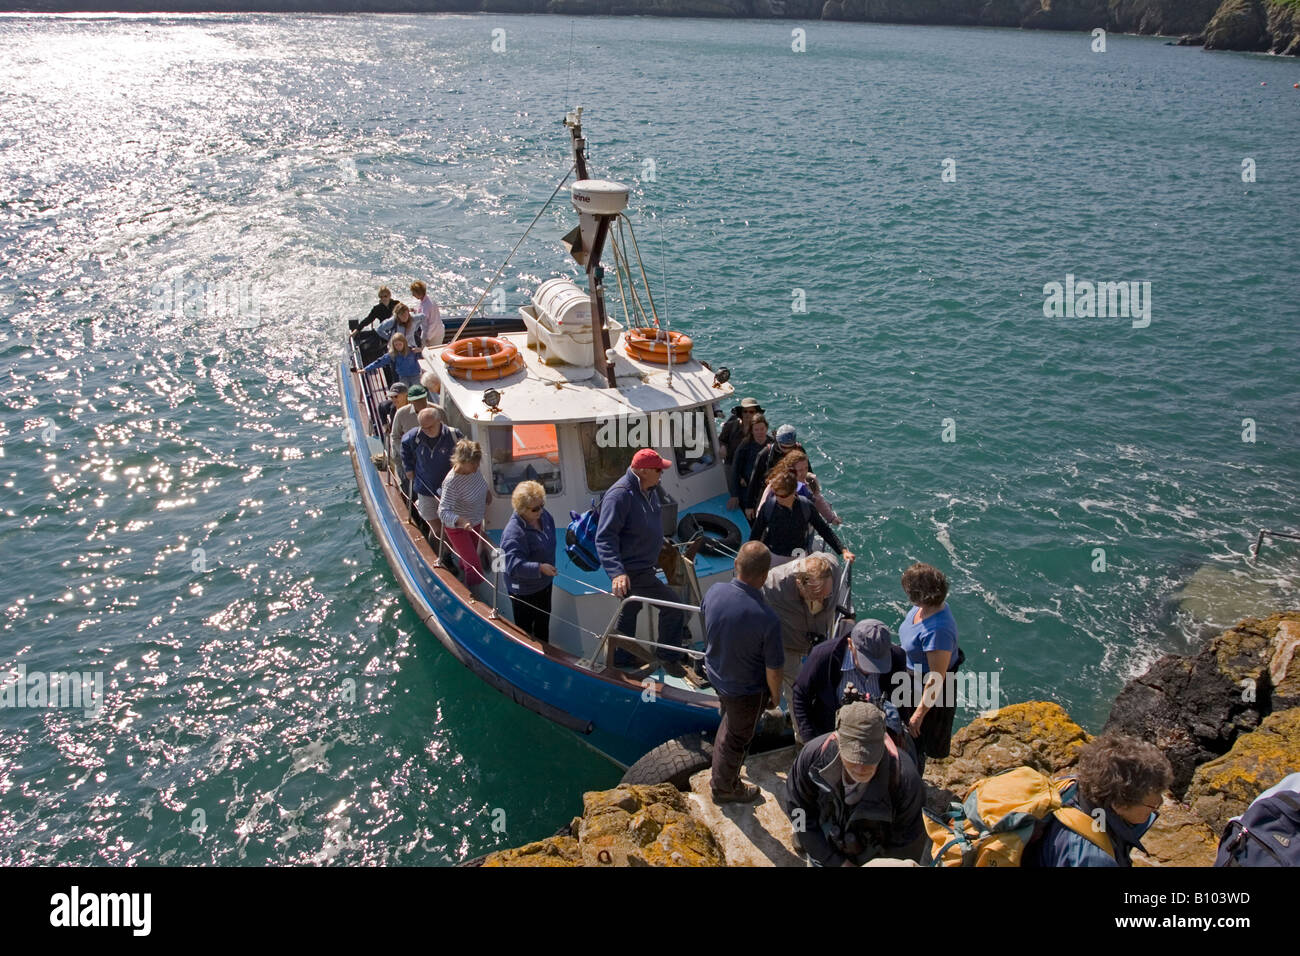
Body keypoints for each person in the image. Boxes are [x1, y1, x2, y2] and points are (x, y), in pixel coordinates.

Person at [785, 702, 925, 867]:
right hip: (824, 846)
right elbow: (797, 809)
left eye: (869, 758)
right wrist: (826, 855)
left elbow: (907, 847)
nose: (861, 768)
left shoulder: (906, 781)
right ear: (837, 741)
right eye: (852, 758)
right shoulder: (811, 757)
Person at [701, 541, 784, 804]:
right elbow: (773, 669)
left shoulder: (714, 591)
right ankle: (725, 788)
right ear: (764, 576)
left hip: (717, 674)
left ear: (736, 565)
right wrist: (775, 696)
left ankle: (724, 773)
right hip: (746, 690)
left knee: (730, 723)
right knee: (737, 738)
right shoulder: (767, 618)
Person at [595, 448, 688, 674]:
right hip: (633, 571)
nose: (661, 474)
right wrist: (617, 573)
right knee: (673, 607)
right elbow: (605, 537)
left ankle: (621, 658)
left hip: (645, 565)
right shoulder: (619, 495)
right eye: (658, 470)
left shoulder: (650, 489)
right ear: (644, 471)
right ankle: (667, 658)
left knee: (631, 609)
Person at [1026, 734, 1173, 867]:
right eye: (1151, 805)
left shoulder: (1077, 786)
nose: (1158, 804)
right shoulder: (1091, 858)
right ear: (1119, 804)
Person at [792, 619, 908, 746]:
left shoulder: (898, 657)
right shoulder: (822, 656)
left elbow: (902, 698)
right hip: (831, 732)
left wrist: (903, 727)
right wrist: (810, 741)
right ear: (850, 644)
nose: (871, 670)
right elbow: (800, 695)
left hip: (877, 733)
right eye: (867, 662)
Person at [763, 552, 843, 723]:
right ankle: (801, 737)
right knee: (797, 691)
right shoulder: (772, 585)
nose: (822, 600)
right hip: (787, 644)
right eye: (815, 596)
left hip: (820, 639)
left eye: (825, 595)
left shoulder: (833, 567)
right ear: (799, 584)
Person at [895, 562, 962, 770]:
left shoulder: (938, 631)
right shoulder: (924, 608)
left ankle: (913, 781)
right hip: (909, 680)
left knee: (915, 742)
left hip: (924, 693)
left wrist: (918, 715)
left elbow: (936, 679)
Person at [749, 471, 852, 565]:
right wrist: (748, 555)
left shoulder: (806, 506)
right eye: (776, 494)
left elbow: (823, 529)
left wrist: (843, 550)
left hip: (799, 554)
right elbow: (756, 532)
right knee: (776, 584)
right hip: (774, 556)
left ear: (794, 491)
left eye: (783, 496)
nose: (778, 499)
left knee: (801, 583)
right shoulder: (768, 506)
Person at [500, 480, 558, 643]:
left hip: (544, 584)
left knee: (543, 623)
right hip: (524, 592)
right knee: (525, 631)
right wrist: (539, 568)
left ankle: (545, 652)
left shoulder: (544, 516)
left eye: (542, 505)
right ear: (521, 509)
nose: (540, 510)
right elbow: (512, 565)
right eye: (535, 509)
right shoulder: (514, 533)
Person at [401, 405, 464, 545]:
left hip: (451, 491)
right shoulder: (413, 437)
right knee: (436, 529)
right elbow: (404, 450)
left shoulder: (454, 435)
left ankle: (454, 550)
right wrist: (408, 468)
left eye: (430, 427)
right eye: (423, 427)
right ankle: (443, 555)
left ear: (439, 421)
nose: (426, 431)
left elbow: (466, 458)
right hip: (426, 489)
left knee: (453, 525)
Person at [438, 439, 492, 587]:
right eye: (473, 464)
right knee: (475, 567)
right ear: (462, 461)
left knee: (468, 559)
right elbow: (442, 512)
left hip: (474, 522)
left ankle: (463, 578)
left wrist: (486, 492)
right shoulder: (451, 482)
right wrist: (460, 521)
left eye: (477, 463)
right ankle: (473, 596)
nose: (476, 467)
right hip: (458, 528)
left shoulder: (474, 471)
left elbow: (479, 482)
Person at [755, 448, 841, 526]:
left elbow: (818, 500)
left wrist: (831, 518)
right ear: (791, 470)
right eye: (800, 470)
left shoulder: (809, 482)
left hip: (803, 528)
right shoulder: (777, 485)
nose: (804, 473)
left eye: (806, 468)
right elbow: (761, 510)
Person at [743, 423, 801, 514]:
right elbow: (754, 480)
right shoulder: (765, 454)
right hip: (769, 492)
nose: (787, 451)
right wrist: (749, 506)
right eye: (784, 447)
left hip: (793, 492)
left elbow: (807, 472)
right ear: (777, 442)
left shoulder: (799, 452)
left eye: (791, 447)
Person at [730, 414, 772, 514]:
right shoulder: (745, 445)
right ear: (752, 431)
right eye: (756, 430)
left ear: (766, 428)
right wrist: (734, 495)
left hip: (767, 487)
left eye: (762, 429)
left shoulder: (772, 444)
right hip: (748, 488)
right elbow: (735, 469)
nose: (759, 432)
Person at [352, 286, 395, 365]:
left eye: (385, 296)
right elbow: (368, 320)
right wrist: (357, 330)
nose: (383, 298)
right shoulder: (377, 309)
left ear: (389, 295)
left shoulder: (396, 304)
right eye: (381, 297)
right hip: (383, 333)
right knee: (365, 348)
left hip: (396, 331)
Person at [718, 397, 762, 468]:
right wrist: (723, 446)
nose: (748, 414)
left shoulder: (759, 428)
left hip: (749, 466)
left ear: (756, 413)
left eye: (751, 412)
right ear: (741, 412)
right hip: (731, 464)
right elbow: (721, 440)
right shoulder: (731, 426)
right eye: (745, 411)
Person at [409, 280, 444, 349]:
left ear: (418, 292)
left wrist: (428, 337)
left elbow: (433, 323)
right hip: (434, 332)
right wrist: (415, 311)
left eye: (414, 293)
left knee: (431, 354)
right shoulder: (426, 301)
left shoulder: (427, 305)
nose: (413, 295)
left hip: (433, 334)